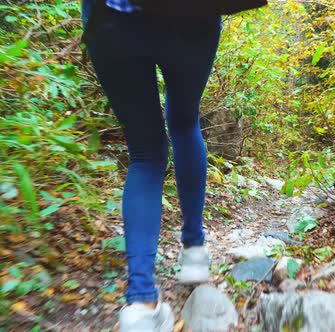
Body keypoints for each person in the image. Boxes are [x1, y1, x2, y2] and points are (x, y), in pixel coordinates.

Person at [82, 0, 221, 330]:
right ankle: (194, 252)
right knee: (185, 123)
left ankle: (142, 303)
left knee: (145, 153)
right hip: (191, 17)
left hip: (113, 19)